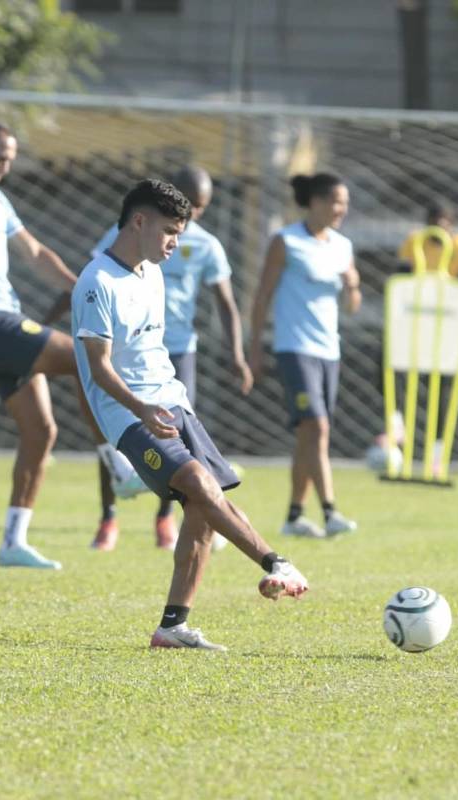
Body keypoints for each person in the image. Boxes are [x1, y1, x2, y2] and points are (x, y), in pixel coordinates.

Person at [73, 179, 308, 651]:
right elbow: (98, 370)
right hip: (129, 414)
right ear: (139, 222)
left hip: (173, 401)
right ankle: (275, 562)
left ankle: (173, 627)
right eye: (169, 232)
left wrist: (171, 404)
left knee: (204, 508)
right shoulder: (97, 282)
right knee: (200, 484)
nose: (176, 243)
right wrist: (140, 407)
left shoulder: (151, 273)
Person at [0, 118, 146, 571]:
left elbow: (35, 254)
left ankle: (13, 543)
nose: (5, 167)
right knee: (84, 356)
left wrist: (83, 290)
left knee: (41, 432)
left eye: (11, 160)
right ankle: (118, 467)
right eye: (0, 157)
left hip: (6, 319)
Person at [88, 165, 250, 552]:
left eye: (201, 206)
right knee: (117, 431)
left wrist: (238, 353)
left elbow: (225, 302)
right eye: (189, 202)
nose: (194, 212)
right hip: (128, 350)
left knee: (173, 436)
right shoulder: (133, 232)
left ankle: (165, 519)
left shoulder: (206, 245)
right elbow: (94, 277)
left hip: (178, 350)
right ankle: (108, 519)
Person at [249, 173, 361, 540]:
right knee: (318, 428)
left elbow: (352, 306)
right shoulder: (286, 241)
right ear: (314, 202)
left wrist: (353, 287)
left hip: (330, 350)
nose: (341, 209)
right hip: (294, 348)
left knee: (308, 436)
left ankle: (295, 516)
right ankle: (330, 512)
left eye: (344, 202)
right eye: (335, 201)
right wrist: (254, 348)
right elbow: (262, 296)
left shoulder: (342, 246)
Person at [381, 200, 458, 473]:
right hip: (415, 325)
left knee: (444, 388)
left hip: (447, 329)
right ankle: (396, 424)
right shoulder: (415, 242)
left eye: (445, 223)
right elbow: (402, 276)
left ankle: (438, 452)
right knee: (390, 365)